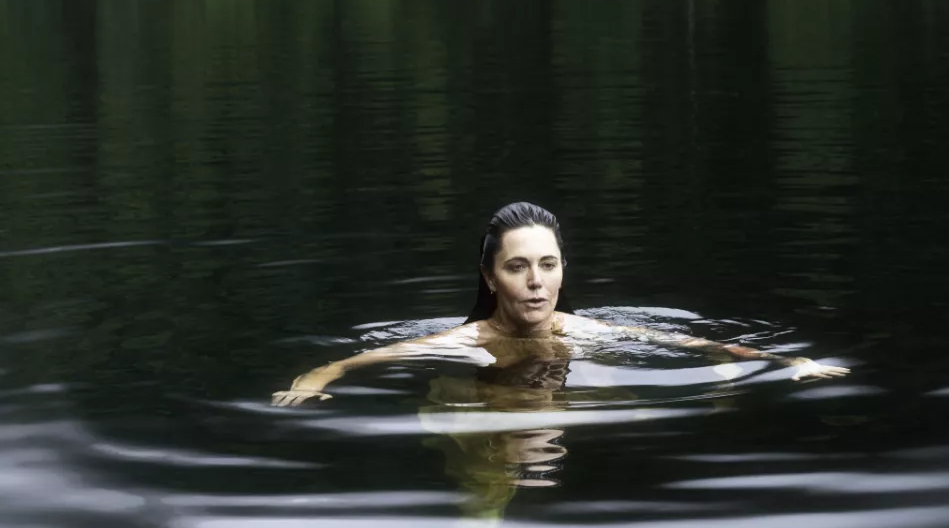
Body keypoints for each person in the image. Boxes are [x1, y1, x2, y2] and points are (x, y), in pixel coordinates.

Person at [271, 201, 848, 406]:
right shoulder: (467, 340)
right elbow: (351, 361)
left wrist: (790, 362)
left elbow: (696, 341)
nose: (535, 282)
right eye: (517, 267)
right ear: (490, 278)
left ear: (563, 270)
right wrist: (314, 381)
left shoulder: (588, 330)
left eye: (547, 265)